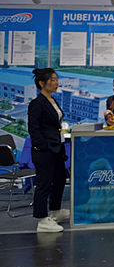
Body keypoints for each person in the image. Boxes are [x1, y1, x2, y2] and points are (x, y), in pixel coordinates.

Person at [27, 68, 70, 233]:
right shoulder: (37, 103)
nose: (56, 83)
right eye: (52, 80)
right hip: (45, 151)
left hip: (57, 148)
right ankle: (42, 219)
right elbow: (34, 128)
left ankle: (56, 210)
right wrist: (43, 146)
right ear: (41, 83)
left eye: (56, 79)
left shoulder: (52, 100)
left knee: (60, 180)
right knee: (43, 184)